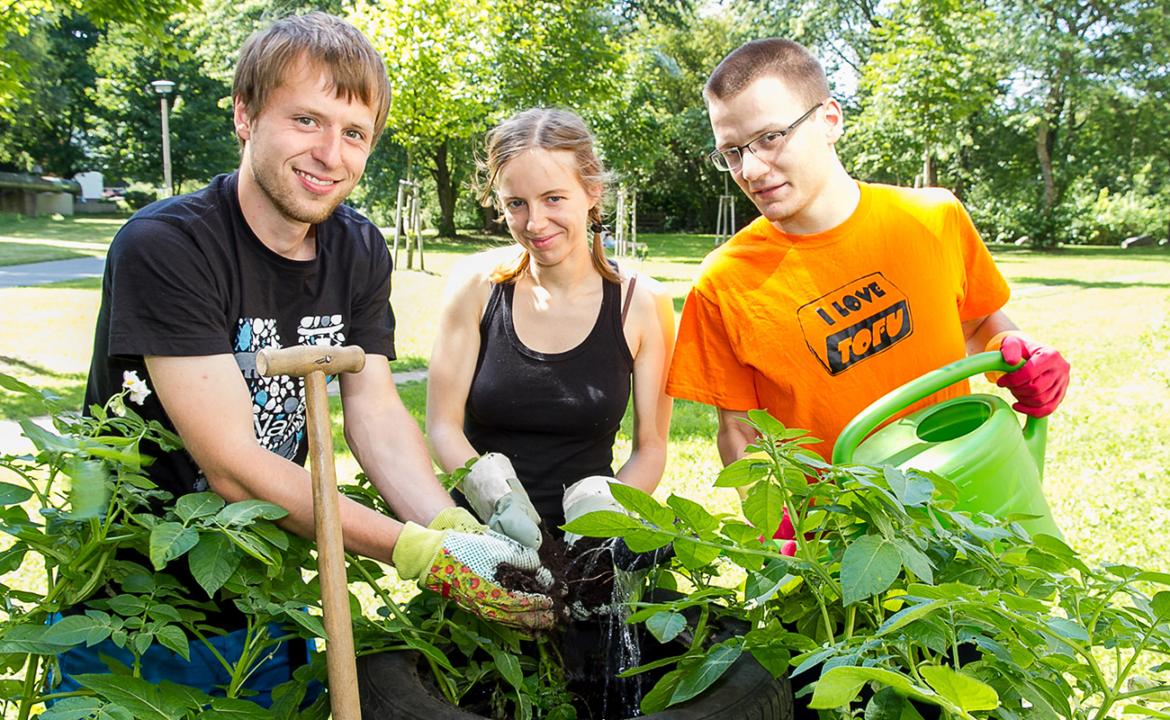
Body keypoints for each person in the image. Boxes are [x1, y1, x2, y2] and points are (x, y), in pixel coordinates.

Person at [64, 12, 553, 708]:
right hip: (135, 606)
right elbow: (232, 467)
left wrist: (452, 529)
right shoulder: (167, 247)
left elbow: (378, 416)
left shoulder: (357, 250)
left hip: (270, 590)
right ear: (245, 115)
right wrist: (417, 554)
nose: (331, 153)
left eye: (354, 133)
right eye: (306, 120)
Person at [667, 38, 1070, 479]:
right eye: (732, 151)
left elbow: (977, 326)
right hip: (836, 532)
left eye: (769, 138)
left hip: (967, 502)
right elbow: (739, 431)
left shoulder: (933, 216)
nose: (751, 170)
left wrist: (1024, 359)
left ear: (830, 120)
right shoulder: (723, 282)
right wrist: (777, 520)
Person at [425, 109, 675, 548]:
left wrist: (605, 517)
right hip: (484, 542)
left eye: (554, 198)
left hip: (589, 548)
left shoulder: (643, 303)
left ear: (592, 191)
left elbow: (650, 449)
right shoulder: (476, 287)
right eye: (515, 204)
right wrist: (494, 499)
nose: (535, 223)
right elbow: (443, 426)